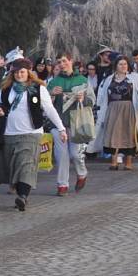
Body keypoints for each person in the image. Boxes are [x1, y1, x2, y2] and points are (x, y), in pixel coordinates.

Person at [0, 58, 66, 211]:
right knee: (14, 166)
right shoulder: (7, 89)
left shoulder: (38, 88)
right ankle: (20, 191)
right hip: (10, 133)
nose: (19, 75)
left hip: (31, 133)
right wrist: (0, 110)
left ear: (28, 73)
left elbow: (49, 109)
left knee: (26, 164)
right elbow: (0, 106)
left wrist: (61, 128)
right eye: (16, 73)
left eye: (22, 72)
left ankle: (23, 196)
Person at [47, 52, 94, 195]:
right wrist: (52, 94)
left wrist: (83, 98)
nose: (62, 64)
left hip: (77, 122)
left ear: (71, 61)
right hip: (58, 123)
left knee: (75, 154)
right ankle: (62, 185)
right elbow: (45, 104)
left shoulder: (82, 79)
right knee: (62, 155)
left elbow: (92, 101)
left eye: (64, 61)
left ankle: (82, 173)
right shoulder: (53, 82)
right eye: (59, 62)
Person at [92, 55, 138, 171]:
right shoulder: (109, 79)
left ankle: (128, 162)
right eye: (120, 64)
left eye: (125, 64)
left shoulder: (135, 78)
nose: (123, 66)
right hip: (112, 108)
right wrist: (99, 107)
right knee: (113, 134)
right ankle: (114, 161)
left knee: (128, 134)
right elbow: (102, 94)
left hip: (128, 108)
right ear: (116, 66)